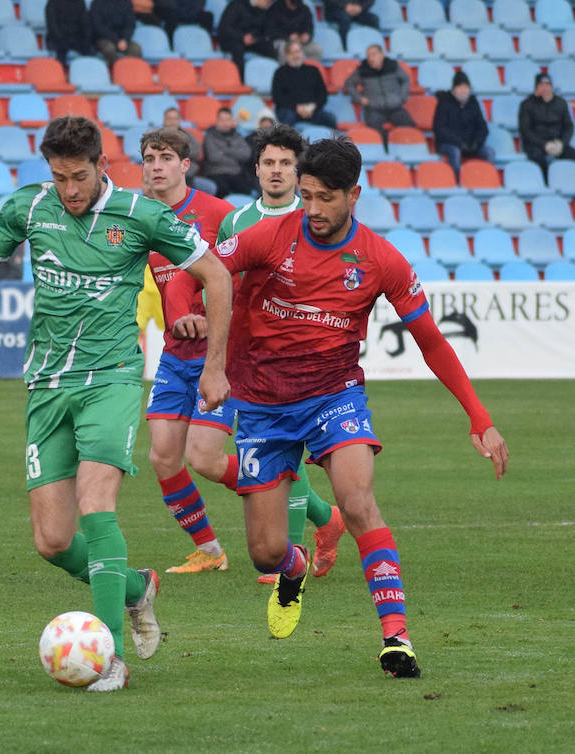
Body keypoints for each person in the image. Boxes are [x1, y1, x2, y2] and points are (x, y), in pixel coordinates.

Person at [0, 116, 235, 691]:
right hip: (48, 385)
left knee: (96, 502)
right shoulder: (29, 208)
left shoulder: (142, 215)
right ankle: (135, 588)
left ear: (102, 165)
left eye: (79, 176)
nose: (70, 189)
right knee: (52, 541)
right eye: (59, 177)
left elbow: (217, 276)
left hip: (112, 379)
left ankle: (112, 659)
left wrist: (217, 364)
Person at [209, 135, 508, 677]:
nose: (314, 210)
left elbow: (432, 340)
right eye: (306, 197)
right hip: (262, 401)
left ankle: (397, 639)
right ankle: (294, 567)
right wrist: (197, 334)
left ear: (355, 194)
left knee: (358, 499)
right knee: (265, 552)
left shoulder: (379, 259)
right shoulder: (269, 236)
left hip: (334, 394)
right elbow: (204, 271)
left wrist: (478, 414)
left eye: (326, 198)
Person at [212, 124, 347, 585]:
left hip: (299, 363)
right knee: (208, 456)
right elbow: (221, 279)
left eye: (285, 163)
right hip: (244, 358)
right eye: (268, 162)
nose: (276, 171)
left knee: (286, 448)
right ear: (256, 169)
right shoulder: (237, 221)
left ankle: (288, 554)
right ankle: (324, 518)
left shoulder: (315, 220)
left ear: (299, 170)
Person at [137, 126, 238, 574]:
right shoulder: (137, 218)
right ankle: (210, 552)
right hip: (176, 355)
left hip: (218, 354)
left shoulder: (218, 213)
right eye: (148, 158)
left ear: (184, 164)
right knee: (162, 456)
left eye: (164, 158)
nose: (155, 166)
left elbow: (236, 274)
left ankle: (310, 509)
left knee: (205, 458)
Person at [433, 72, 495, 180]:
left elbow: (482, 127)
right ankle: (458, 182)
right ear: (453, 89)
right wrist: (459, 143)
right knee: (455, 152)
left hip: (471, 144)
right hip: (449, 143)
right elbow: (439, 129)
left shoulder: (473, 102)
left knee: (489, 153)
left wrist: (477, 142)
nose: (464, 91)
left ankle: (485, 180)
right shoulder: (444, 103)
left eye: (466, 88)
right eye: (460, 87)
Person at [342, 44, 414, 133]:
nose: (371, 59)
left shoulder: (393, 66)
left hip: (395, 107)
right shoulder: (362, 69)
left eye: (374, 55)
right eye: (368, 56)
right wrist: (359, 99)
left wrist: (402, 97)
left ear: (382, 54)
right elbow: (349, 84)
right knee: (375, 132)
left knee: (410, 127)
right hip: (373, 109)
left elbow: (405, 79)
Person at [518, 72, 575, 180]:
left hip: (557, 143)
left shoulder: (561, 103)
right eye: (541, 85)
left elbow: (568, 126)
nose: (545, 88)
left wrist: (562, 143)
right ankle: (546, 186)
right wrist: (544, 144)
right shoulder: (527, 104)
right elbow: (525, 130)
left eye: (547, 85)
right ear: (536, 88)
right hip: (536, 144)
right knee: (538, 159)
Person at [272, 40, 336, 129]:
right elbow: (277, 97)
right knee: (287, 120)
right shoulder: (280, 72)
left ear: (302, 53)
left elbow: (323, 94)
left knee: (330, 119)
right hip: (290, 110)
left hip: (312, 110)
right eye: (292, 53)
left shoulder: (313, 70)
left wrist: (313, 107)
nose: (296, 55)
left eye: (298, 51)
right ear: (287, 56)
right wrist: (296, 107)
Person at [201, 107, 257, 197]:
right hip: (216, 173)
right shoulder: (209, 136)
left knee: (249, 191)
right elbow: (213, 157)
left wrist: (224, 150)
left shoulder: (237, 136)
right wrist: (235, 156)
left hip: (235, 173)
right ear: (217, 121)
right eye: (222, 120)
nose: (225, 123)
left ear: (232, 121)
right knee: (222, 189)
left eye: (227, 119)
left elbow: (246, 154)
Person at [216, 0, 276, 79]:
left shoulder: (263, 11)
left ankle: (271, 78)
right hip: (232, 39)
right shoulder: (236, 5)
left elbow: (265, 30)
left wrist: (255, 38)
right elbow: (225, 27)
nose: (269, 4)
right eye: (268, 2)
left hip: (252, 41)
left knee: (269, 48)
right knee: (238, 49)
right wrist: (242, 37)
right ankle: (240, 80)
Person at [90, 0, 143, 66]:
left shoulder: (126, 2)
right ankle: (118, 69)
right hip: (104, 38)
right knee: (109, 48)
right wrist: (116, 40)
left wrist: (125, 39)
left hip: (123, 39)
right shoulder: (97, 3)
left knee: (136, 48)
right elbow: (98, 26)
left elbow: (130, 24)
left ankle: (126, 69)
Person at [44, 0, 93, 66]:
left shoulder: (80, 2)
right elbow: (52, 25)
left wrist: (86, 37)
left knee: (89, 49)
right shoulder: (53, 2)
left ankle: (88, 73)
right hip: (57, 38)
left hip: (75, 37)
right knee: (61, 50)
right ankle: (60, 72)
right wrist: (60, 38)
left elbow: (85, 23)